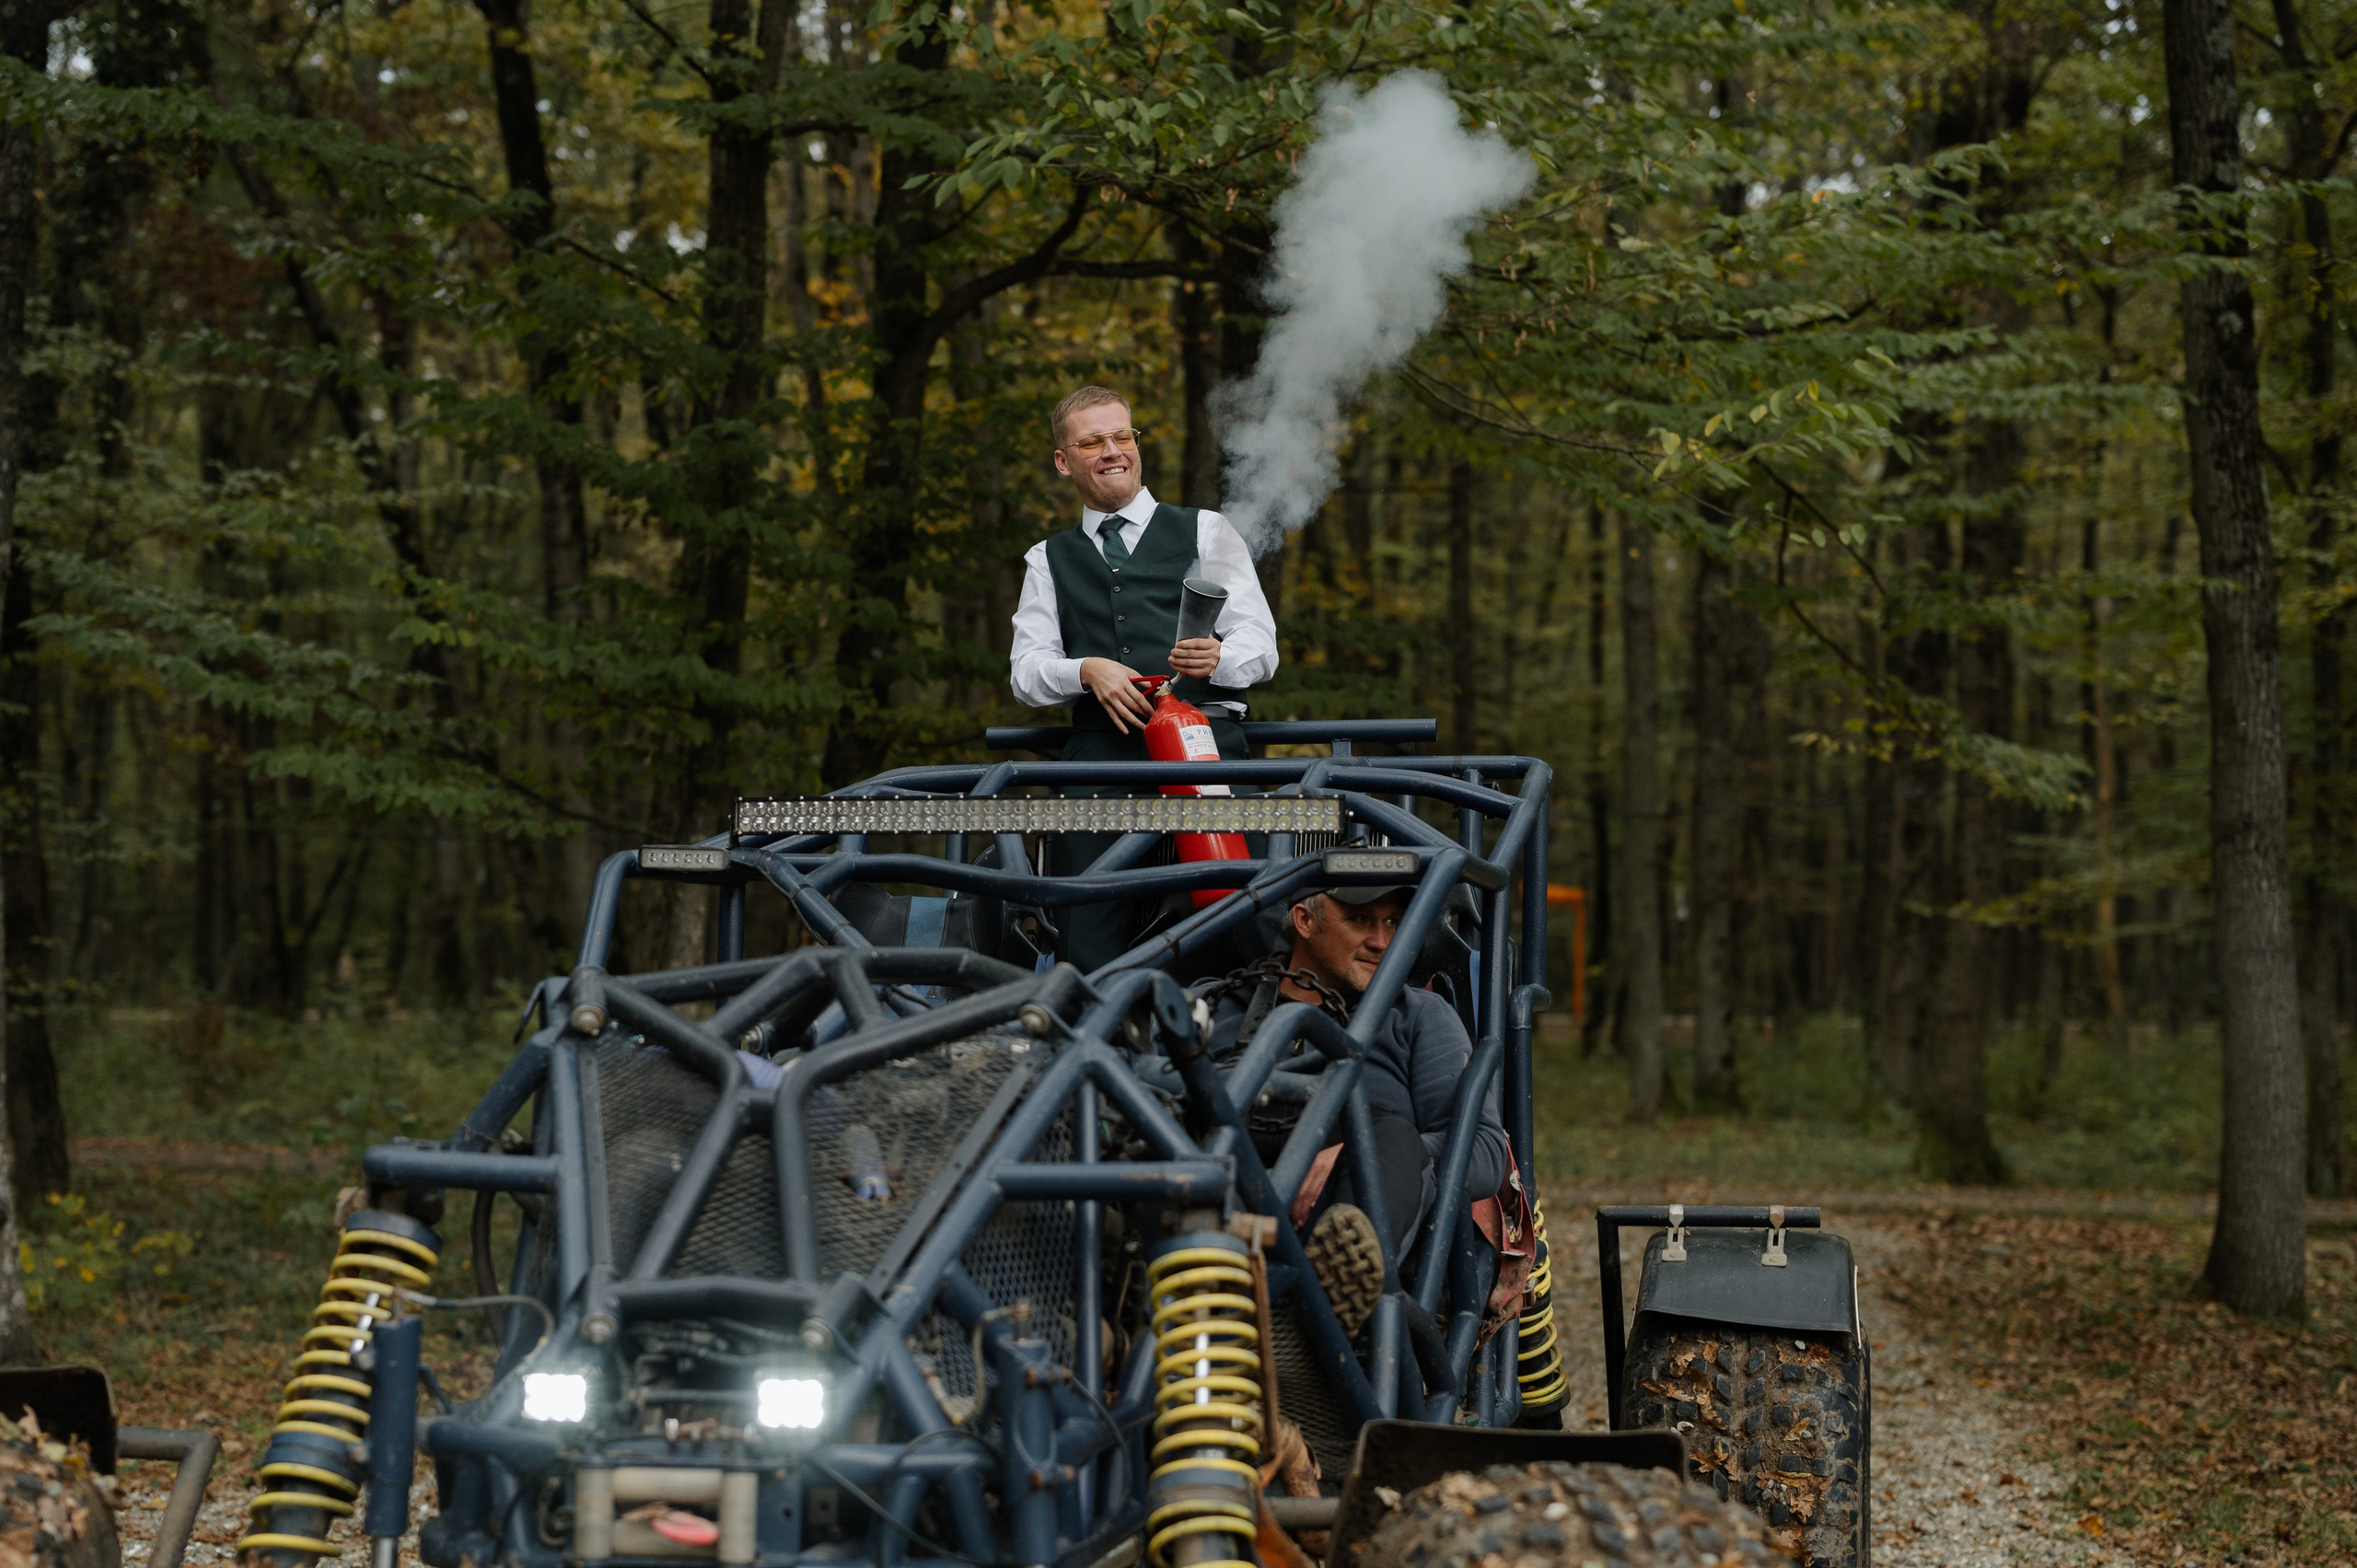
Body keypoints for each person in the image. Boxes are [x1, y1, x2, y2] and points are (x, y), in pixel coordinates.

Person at [1008, 385, 1279, 970]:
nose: (1112, 450)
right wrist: (1086, 670)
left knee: (1243, 922)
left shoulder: (1207, 530)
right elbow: (1027, 672)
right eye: (1092, 441)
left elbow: (1260, 646)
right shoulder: (1046, 558)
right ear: (1064, 461)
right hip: (1100, 768)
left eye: (1122, 436)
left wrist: (1218, 658)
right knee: (1085, 938)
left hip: (1208, 752)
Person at [1204, 884, 1509, 1338]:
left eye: (1391, 922)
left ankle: (1319, 1325)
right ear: (1305, 921)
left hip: (1360, 1208)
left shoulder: (1419, 1016)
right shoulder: (1213, 1006)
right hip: (1219, 1196)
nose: (1382, 941)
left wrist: (1355, 1152)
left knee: (1388, 1136)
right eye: (1361, 920)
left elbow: (1484, 1151)